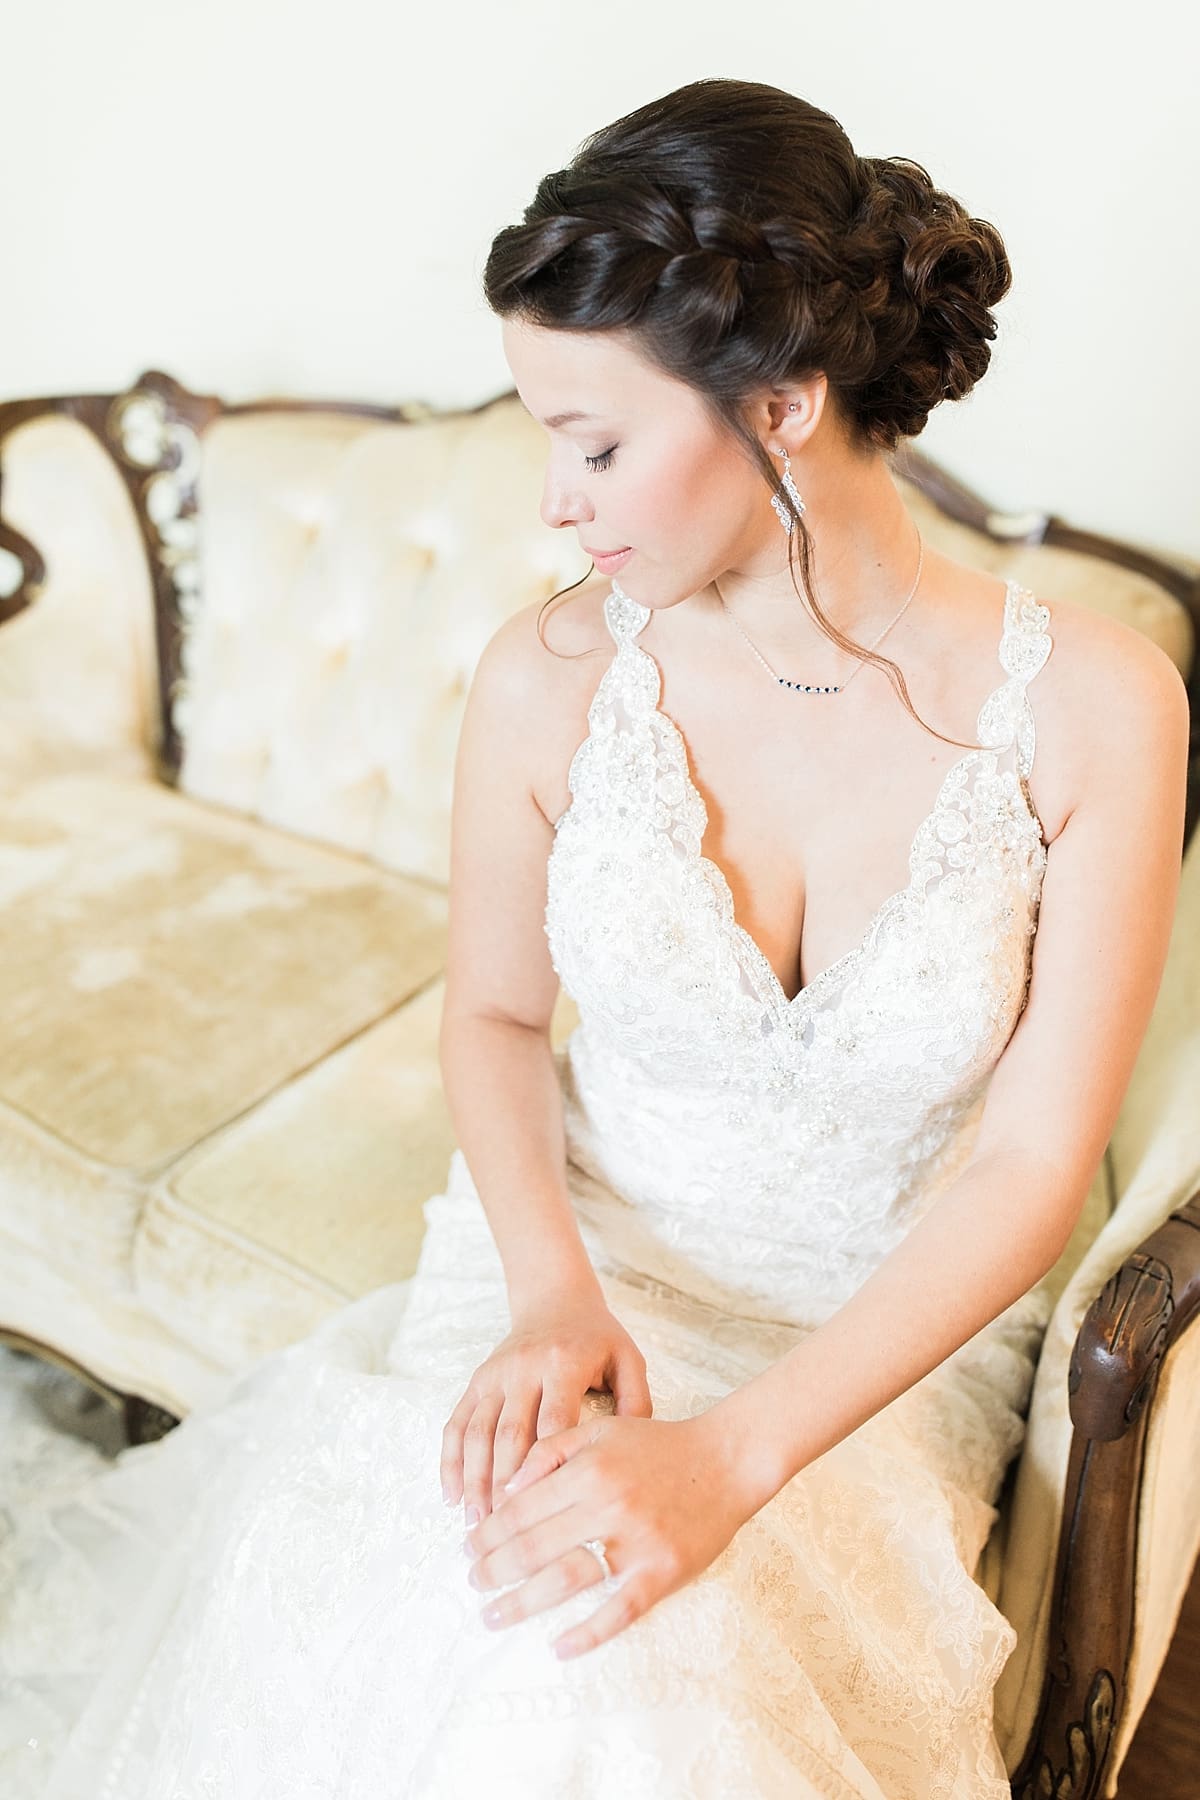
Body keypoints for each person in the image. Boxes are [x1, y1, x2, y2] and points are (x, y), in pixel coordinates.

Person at [0, 75, 1188, 1800]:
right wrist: (549, 1295)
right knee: (492, 1638)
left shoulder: (1096, 706)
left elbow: (1030, 1160)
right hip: (580, 1268)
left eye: (597, 440)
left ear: (783, 403)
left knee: (647, 1693)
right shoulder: (549, 680)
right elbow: (490, 1020)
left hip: (866, 1346)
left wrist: (734, 1457)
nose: (557, 502)